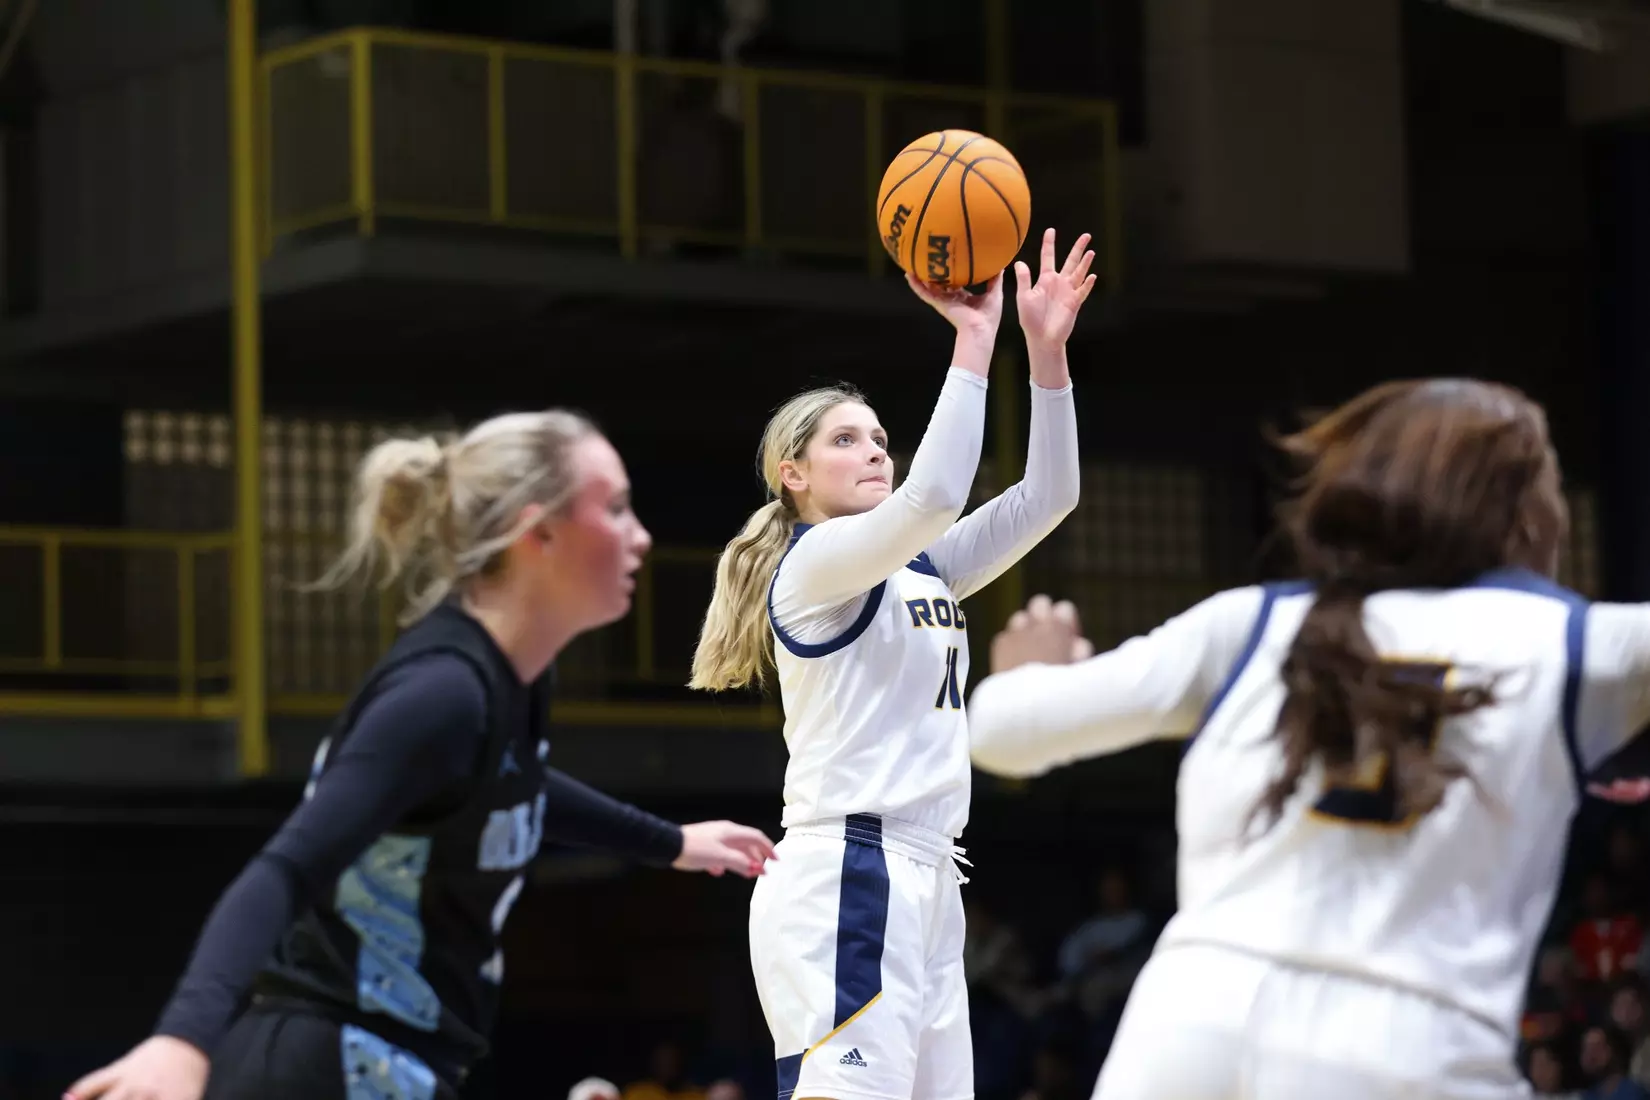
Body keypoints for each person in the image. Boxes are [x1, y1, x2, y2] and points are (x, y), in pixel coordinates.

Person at [966, 378, 1650, 1098]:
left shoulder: (1250, 623)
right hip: (1410, 1046)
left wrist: (1030, 671)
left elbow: (1001, 733)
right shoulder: (1587, 647)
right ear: (1527, 513)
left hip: (1186, 1029)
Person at [69, 410, 776, 1100]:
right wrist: (181, 1041)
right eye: (617, 509)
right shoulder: (440, 697)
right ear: (539, 533)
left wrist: (671, 842)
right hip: (327, 1060)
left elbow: (513, 782)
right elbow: (283, 871)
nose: (643, 537)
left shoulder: (508, 682)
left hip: (386, 1059)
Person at [690, 228, 1095, 1100]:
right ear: (792, 475)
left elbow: (1049, 496)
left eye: (879, 436)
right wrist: (974, 338)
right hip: (851, 872)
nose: (876, 448)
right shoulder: (812, 567)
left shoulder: (925, 567)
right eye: (846, 440)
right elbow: (938, 494)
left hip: (932, 873)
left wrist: (1047, 356)